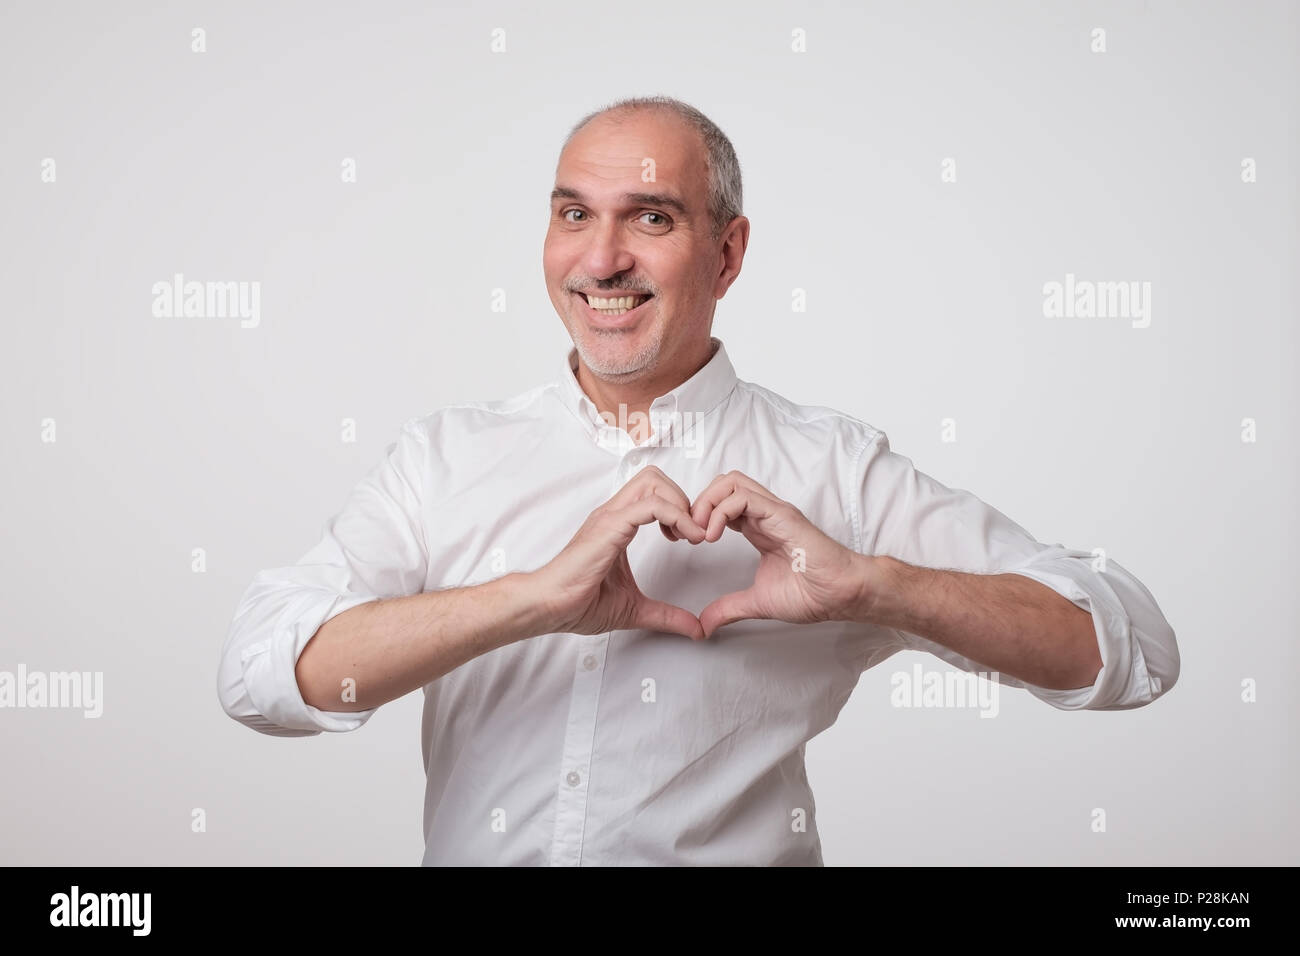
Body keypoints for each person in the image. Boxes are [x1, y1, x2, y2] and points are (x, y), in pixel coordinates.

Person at [218, 95, 1180, 866]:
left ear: (727, 254)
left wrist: (877, 587)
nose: (601, 260)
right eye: (573, 215)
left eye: (651, 217)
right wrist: (529, 600)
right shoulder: (444, 457)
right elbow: (262, 675)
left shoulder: (833, 472)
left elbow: (1129, 648)